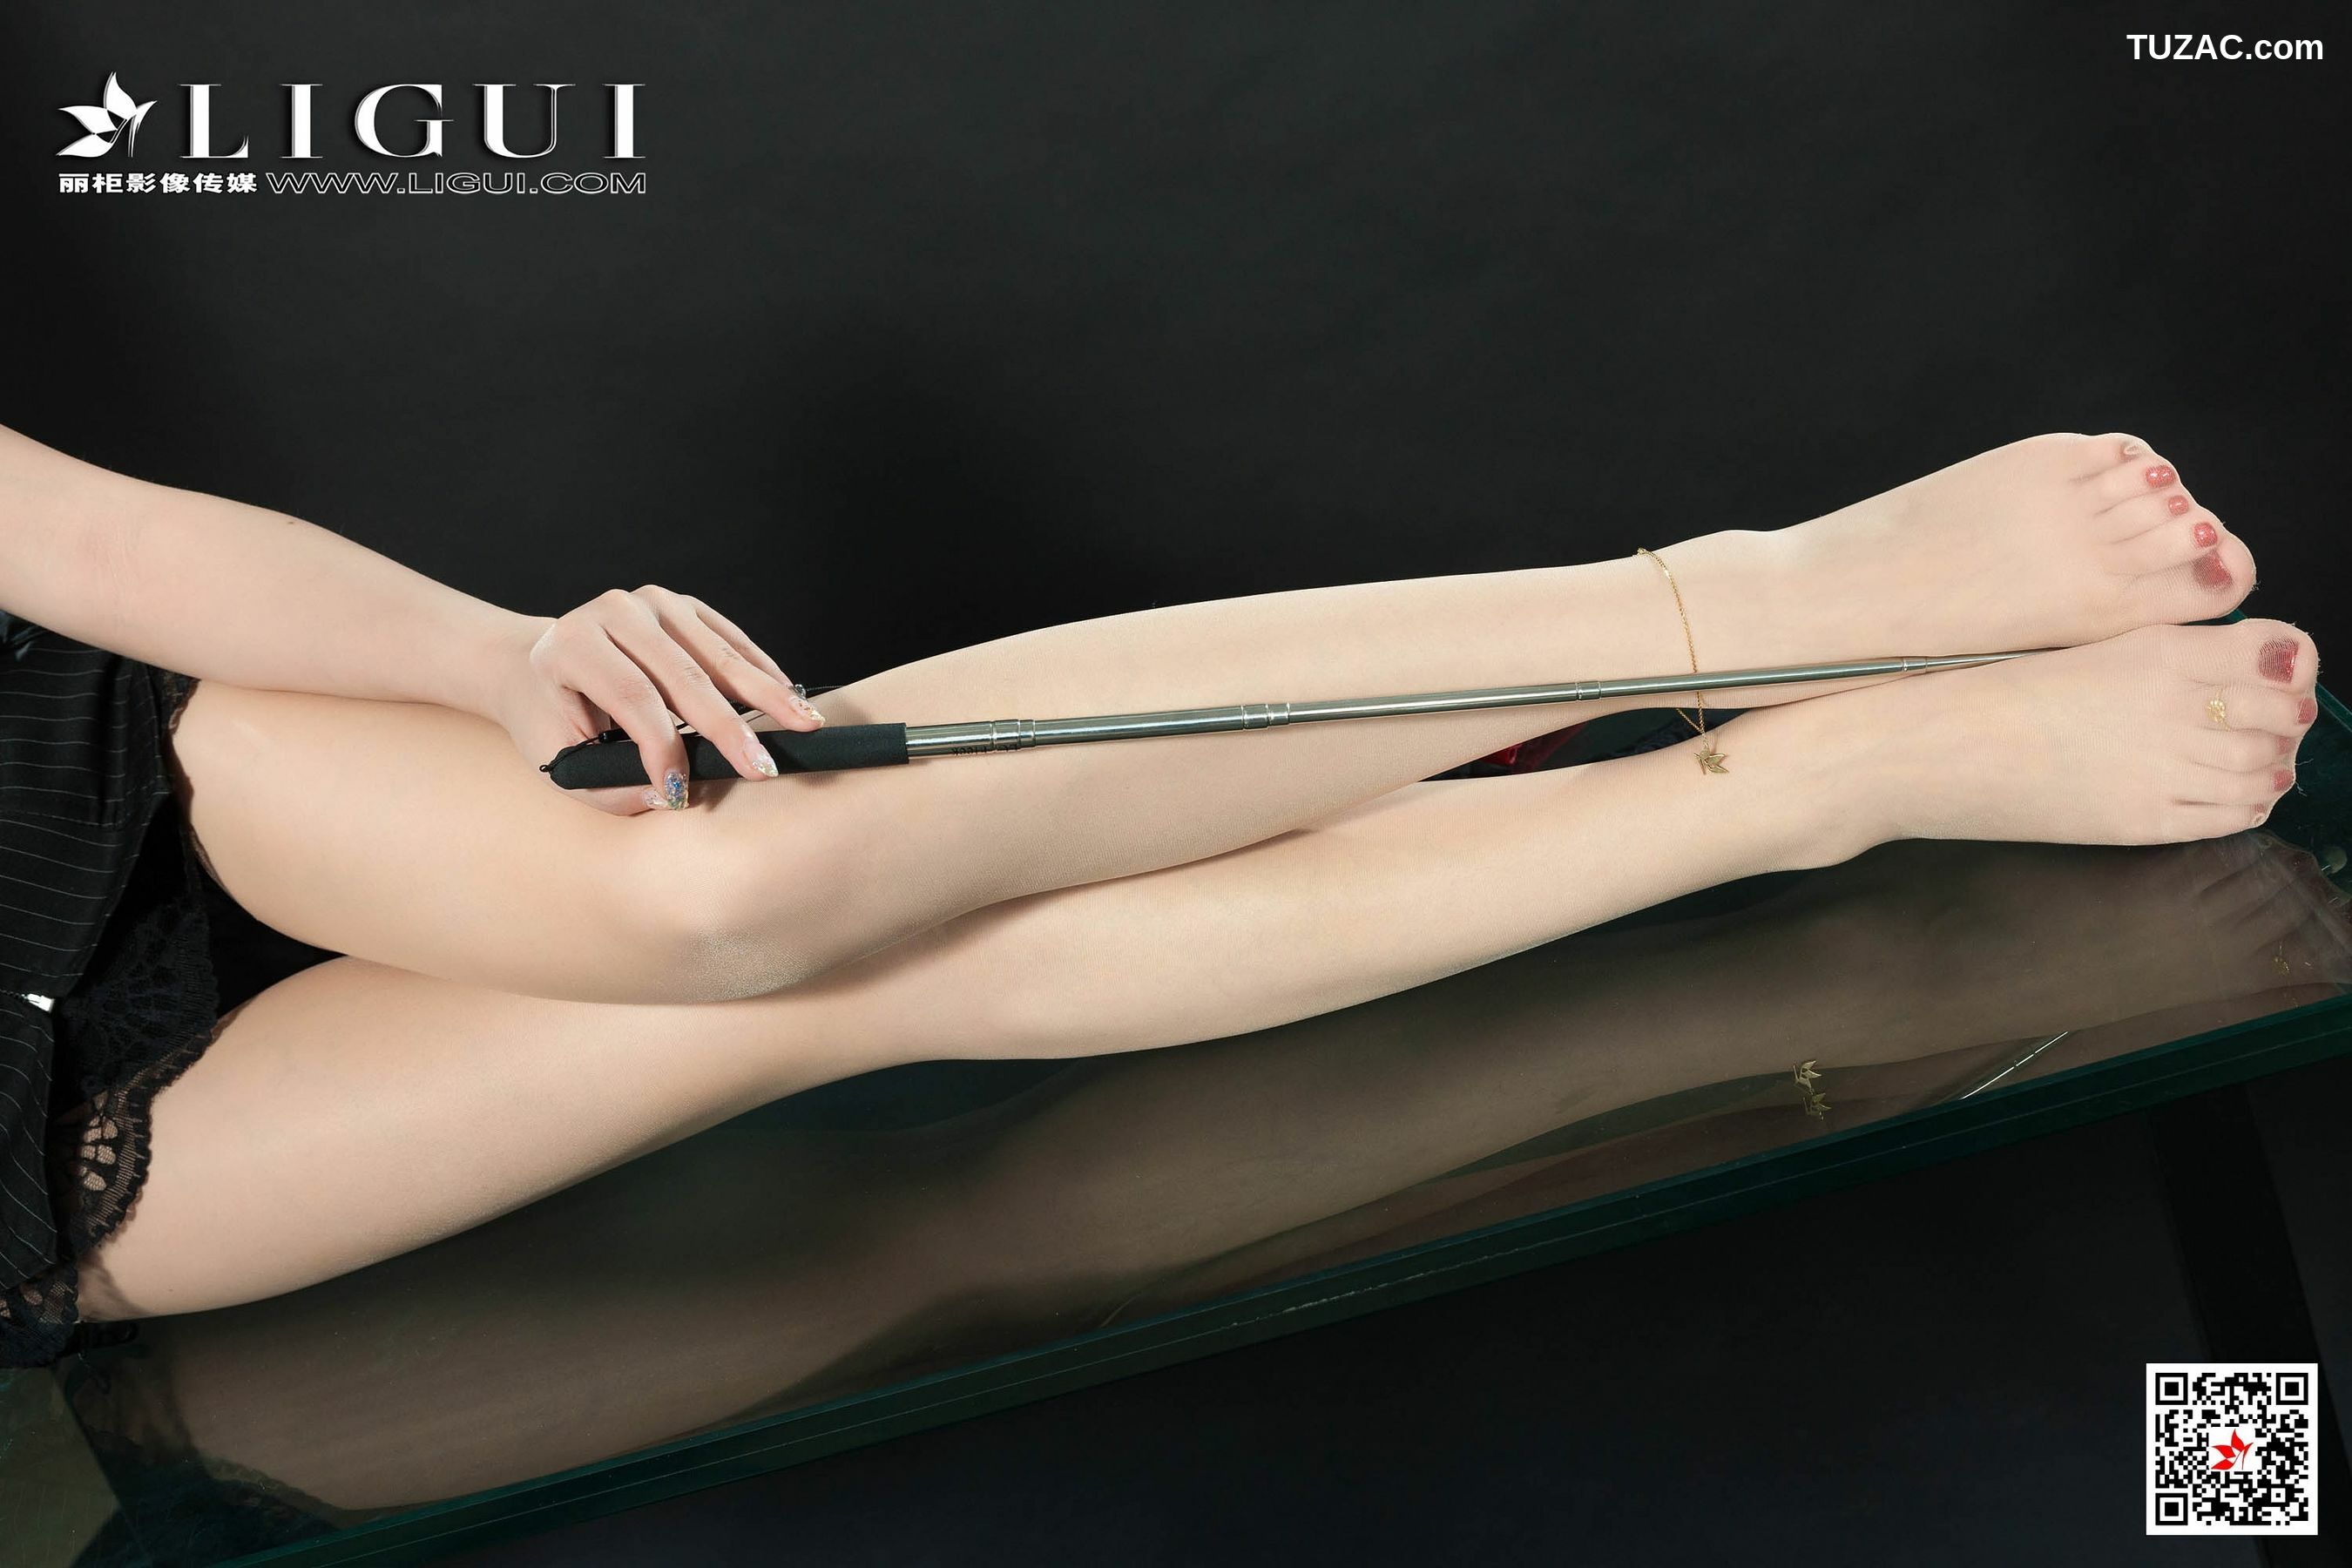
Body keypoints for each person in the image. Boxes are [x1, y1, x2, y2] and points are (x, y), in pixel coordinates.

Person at [0, 421, 2315, 1368]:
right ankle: (1817, 782)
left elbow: (62, 533)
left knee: (729, 891)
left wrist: (491, 657)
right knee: (854, 988)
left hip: (67, 788)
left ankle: (1748, 606)